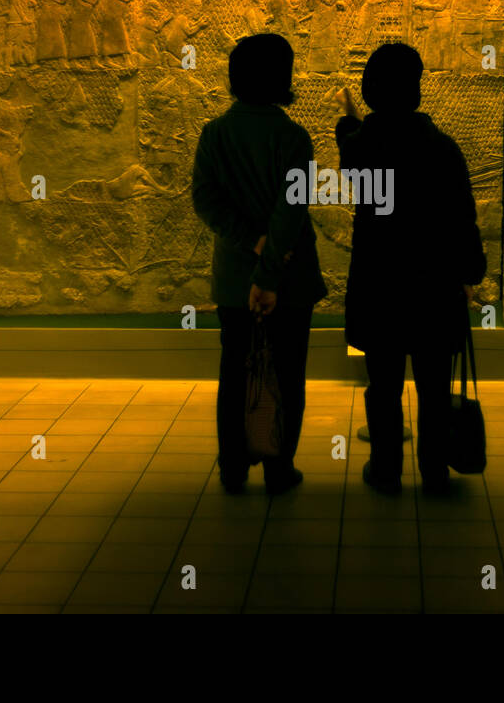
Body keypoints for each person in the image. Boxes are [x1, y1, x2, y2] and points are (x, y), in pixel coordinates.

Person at [333, 43, 486, 496]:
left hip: (379, 286)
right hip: (433, 287)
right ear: (416, 90)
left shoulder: (362, 148)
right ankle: (435, 473)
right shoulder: (442, 149)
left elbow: (351, 146)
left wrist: (347, 115)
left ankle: (385, 470)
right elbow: (463, 216)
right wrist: (469, 272)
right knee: (435, 387)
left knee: (382, 387)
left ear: (371, 90)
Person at [192, 33, 326, 495]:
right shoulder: (292, 137)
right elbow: (292, 211)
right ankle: (278, 467)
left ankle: (232, 465)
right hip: (288, 281)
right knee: (287, 373)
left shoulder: (215, 133)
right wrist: (269, 271)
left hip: (234, 279)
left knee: (235, 372)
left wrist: (250, 243)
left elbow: (205, 201)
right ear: (282, 78)